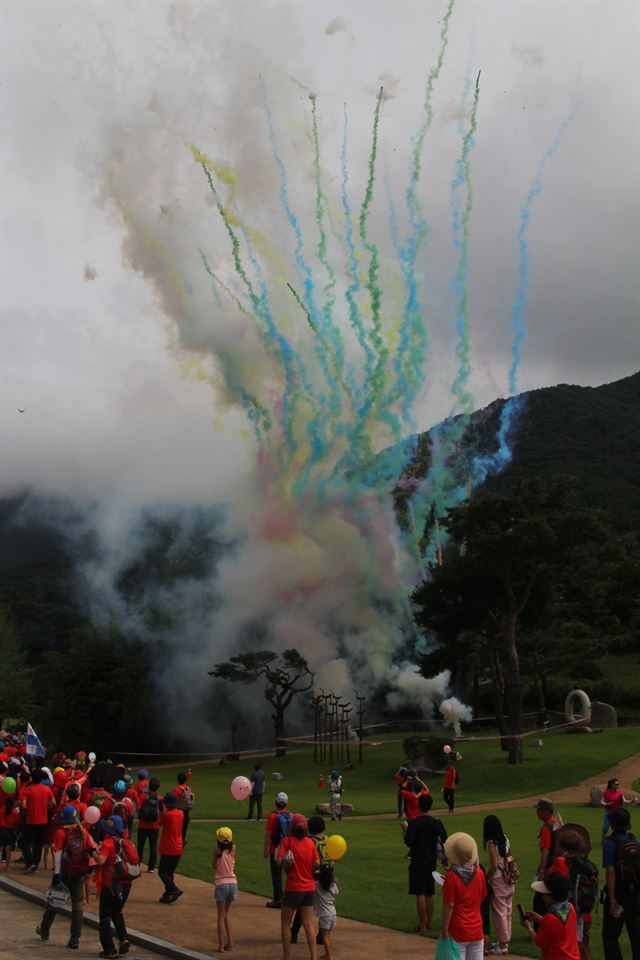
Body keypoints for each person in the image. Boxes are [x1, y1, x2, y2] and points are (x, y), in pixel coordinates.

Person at [35, 805, 95, 951]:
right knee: (77, 904)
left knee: (54, 901)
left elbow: (57, 854)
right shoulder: (83, 831)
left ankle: (45, 929)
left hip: (64, 872)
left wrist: (56, 875)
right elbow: (90, 850)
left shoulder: (61, 833)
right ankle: (75, 937)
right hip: (79, 872)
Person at [276, 813, 319, 960]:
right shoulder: (311, 843)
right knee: (309, 924)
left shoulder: (287, 841)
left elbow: (278, 861)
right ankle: (313, 956)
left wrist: (287, 862)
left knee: (285, 923)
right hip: (309, 888)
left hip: (294, 886)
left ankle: (287, 956)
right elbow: (317, 864)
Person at [404, 792, 447, 934]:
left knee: (420, 893)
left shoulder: (415, 823)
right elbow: (444, 839)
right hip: (431, 861)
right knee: (429, 893)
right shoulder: (436, 823)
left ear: (419, 806)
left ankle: (422, 926)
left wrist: (404, 831)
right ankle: (429, 923)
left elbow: (409, 842)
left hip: (418, 861)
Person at [440, 832, 487, 960]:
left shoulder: (451, 876)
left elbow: (449, 905)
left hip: (457, 931)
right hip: (476, 930)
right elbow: (481, 897)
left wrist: (444, 929)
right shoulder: (480, 873)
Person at [601, 807, 640, 960]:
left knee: (610, 936)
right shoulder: (635, 841)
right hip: (635, 894)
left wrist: (611, 899)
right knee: (636, 935)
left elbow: (610, 871)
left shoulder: (610, 844)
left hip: (619, 893)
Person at [93, 815, 133, 959]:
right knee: (117, 911)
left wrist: (93, 853)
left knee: (104, 916)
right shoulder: (126, 842)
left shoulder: (108, 843)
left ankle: (109, 949)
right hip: (126, 884)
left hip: (111, 884)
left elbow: (101, 861)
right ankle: (124, 938)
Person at [522, 872, 580, 960]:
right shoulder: (569, 907)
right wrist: (538, 918)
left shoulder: (550, 919)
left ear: (553, 896)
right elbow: (558, 926)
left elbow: (539, 942)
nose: (543, 897)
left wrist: (528, 927)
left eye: (545, 894)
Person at [483, 814, 516, 955]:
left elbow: (494, 866)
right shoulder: (505, 838)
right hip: (509, 878)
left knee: (499, 913)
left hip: (498, 879)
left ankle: (503, 946)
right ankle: (505, 941)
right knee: (508, 911)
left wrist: (485, 878)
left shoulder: (491, 842)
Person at [21, 767, 56, 873]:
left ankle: (29, 861)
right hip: (43, 820)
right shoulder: (46, 789)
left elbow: (23, 805)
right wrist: (46, 808)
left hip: (30, 820)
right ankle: (35, 864)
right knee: (38, 843)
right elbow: (53, 802)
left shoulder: (27, 789)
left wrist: (30, 809)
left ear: (32, 777)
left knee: (25, 842)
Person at [534, 798, 560, 921]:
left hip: (549, 867)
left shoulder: (546, 828)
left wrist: (542, 871)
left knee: (540, 899)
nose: (537, 813)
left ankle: (540, 928)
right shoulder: (557, 824)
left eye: (539, 810)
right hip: (558, 866)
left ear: (545, 811)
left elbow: (545, 850)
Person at [263, 791, 291, 908]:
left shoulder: (272, 816)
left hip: (275, 850)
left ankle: (278, 899)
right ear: (286, 804)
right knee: (290, 874)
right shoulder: (290, 815)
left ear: (276, 802)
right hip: (288, 850)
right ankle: (291, 898)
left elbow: (268, 834)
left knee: (276, 875)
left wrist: (265, 849)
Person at [213, 826, 237, 953]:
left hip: (221, 883)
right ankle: (230, 942)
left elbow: (214, 865)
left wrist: (216, 854)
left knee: (220, 915)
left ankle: (221, 945)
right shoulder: (233, 848)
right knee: (226, 914)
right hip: (233, 882)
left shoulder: (216, 849)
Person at [158, 791, 184, 903]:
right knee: (169, 872)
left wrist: (162, 810)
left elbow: (158, 823)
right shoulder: (181, 813)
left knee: (162, 872)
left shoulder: (167, 815)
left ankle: (174, 889)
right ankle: (168, 893)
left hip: (168, 848)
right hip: (178, 847)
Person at [314, 860, 338, 960]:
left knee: (324, 937)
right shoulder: (333, 886)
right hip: (333, 914)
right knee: (327, 936)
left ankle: (329, 956)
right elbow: (336, 893)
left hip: (325, 916)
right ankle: (327, 954)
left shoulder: (317, 885)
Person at [136, 776, 161, 872]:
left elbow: (138, 808)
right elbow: (161, 811)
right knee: (153, 846)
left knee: (140, 845)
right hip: (154, 826)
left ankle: (137, 864)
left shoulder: (143, 796)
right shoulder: (159, 798)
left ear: (149, 785)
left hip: (142, 825)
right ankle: (151, 867)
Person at [173, 771, 195, 845]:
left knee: (178, 827)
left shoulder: (176, 789)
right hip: (186, 810)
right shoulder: (189, 789)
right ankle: (183, 839)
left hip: (179, 810)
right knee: (184, 827)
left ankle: (178, 840)